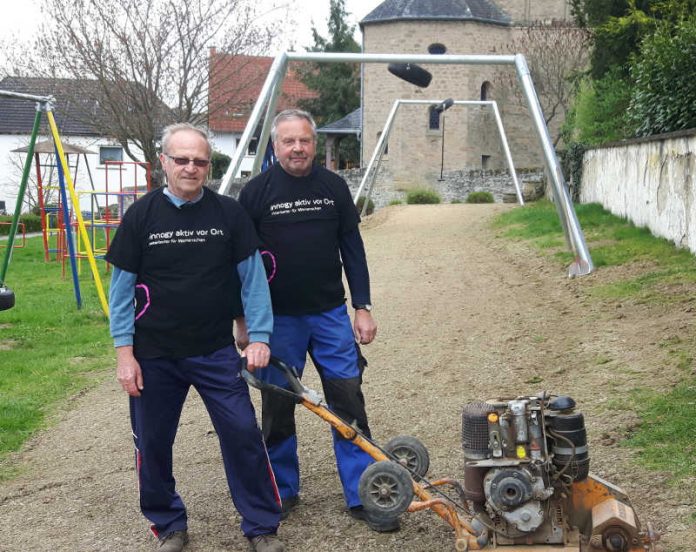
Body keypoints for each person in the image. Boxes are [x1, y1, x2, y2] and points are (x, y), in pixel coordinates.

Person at [106, 123, 285, 552]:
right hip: (154, 356)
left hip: (214, 350)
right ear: (163, 162)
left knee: (243, 433)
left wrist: (258, 335)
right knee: (152, 443)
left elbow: (254, 280)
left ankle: (261, 526)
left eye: (199, 161)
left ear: (209, 165)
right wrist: (124, 355)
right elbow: (121, 293)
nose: (191, 167)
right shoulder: (141, 216)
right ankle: (168, 524)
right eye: (181, 159)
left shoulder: (229, 214)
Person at [237, 109, 395, 532]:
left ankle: (362, 492)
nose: (297, 148)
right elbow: (240, 263)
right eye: (288, 141)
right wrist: (245, 321)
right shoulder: (255, 194)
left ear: (313, 142)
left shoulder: (333, 187)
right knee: (278, 404)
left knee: (347, 399)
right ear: (275, 146)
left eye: (304, 140)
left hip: (329, 315)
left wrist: (362, 305)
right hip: (276, 321)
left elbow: (352, 248)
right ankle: (282, 490)